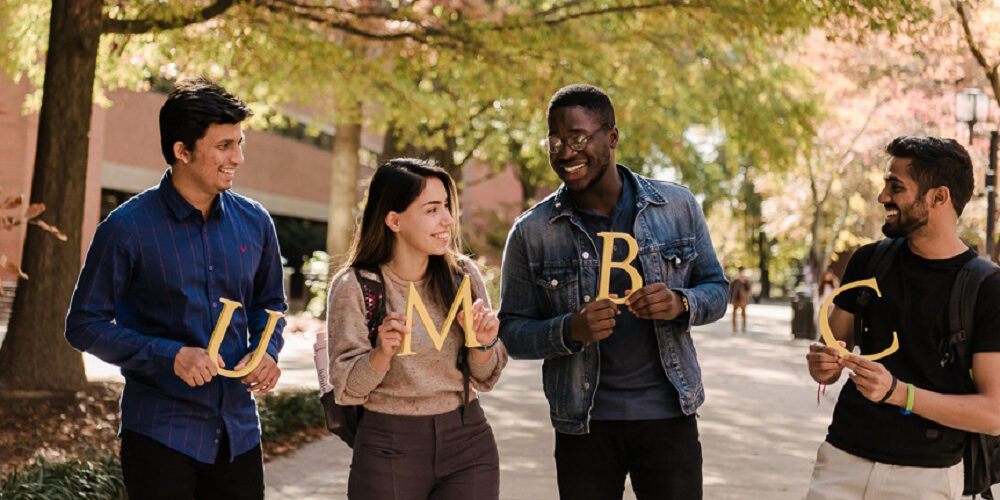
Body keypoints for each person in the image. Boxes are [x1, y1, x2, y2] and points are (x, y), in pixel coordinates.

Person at [497, 84, 729, 500]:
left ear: (613, 137)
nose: (565, 152)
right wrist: (569, 330)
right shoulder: (532, 232)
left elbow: (716, 290)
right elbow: (512, 332)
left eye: (578, 138)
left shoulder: (676, 206)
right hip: (583, 425)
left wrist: (679, 303)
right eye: (555, 140)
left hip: (668, 417)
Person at [65, 78, 286, 499]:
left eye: (239, 143)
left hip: (238, 433)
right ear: (182, 151)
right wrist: (170, 356)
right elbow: (84, 324)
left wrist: (267, 351)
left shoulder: (256, 222)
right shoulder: (126, 229)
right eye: (223, 146)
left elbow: (270, 303)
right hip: (161, 433)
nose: (237, 158)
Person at [805, 136, 1000, 499]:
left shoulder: (987, 287)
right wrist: (823, 364)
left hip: (927, 478)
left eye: (896, 187)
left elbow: (993, 412)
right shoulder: (867, 260)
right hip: (842, 460)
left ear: (938, 197)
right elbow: (831, 353)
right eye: (884, 185)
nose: (882, 197)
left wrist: (898, 393)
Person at [327, 158, 508, 500]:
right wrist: (380, 355)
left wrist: (482, 344)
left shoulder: (463, 276)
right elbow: (347, 390)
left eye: (447, 207)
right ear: (394, 220)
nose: (447, 220)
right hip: (388, 446)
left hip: (468, 441)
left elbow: (486, 376)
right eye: (432, 209)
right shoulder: (356, 285)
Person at [729, 266, 752, 333]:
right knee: (734, 315)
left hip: (743, 300)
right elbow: (731, 290)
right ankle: (734, 328)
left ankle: (744, 327)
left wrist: (744, 282)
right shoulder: (735, 281)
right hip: (736, 299)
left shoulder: (746, 281)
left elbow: (748, 289)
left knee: (743, 315)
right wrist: (731, 299)